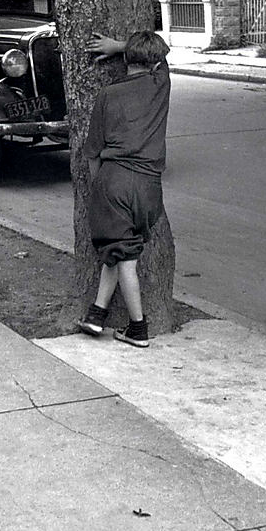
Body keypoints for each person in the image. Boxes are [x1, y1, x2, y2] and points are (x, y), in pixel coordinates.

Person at [77, 30, 171, 348]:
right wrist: (121, 46)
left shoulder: (109, 94)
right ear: (156, 63)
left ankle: (138, 328)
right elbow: (161, 58)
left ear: (127, 60)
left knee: (125, 257)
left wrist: (98, 187)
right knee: (119, 250)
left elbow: (92, 152)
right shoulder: (161, 86)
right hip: (149, 187)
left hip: (114, 180)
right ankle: (96, 314)